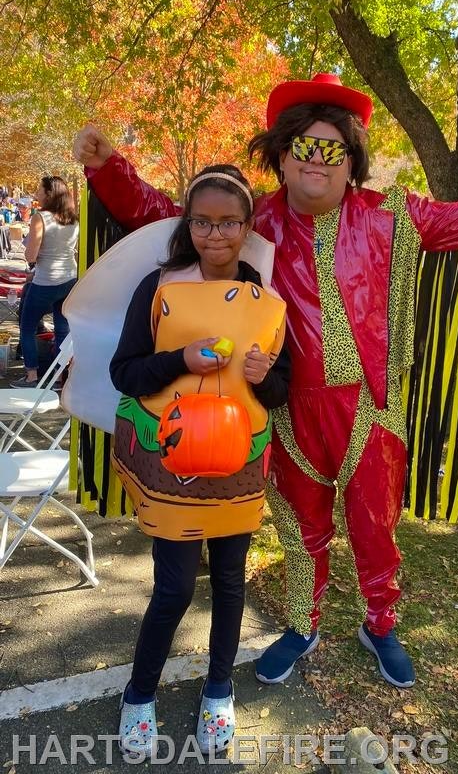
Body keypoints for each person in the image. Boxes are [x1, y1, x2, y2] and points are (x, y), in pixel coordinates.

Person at [74, 73, 458, 692]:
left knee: (375, 527)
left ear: (352, 159)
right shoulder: (253, 224)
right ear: (279, 155)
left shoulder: (393, 217)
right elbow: (172, 218)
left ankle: (381, 624)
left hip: (371, 406)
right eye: (303, 146)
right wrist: (111, 169)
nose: (316, 162)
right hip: (285, 406)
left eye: (332, 149)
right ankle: (304, 625)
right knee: (302, 528)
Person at [108, 165, 290, 757]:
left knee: (232, 583)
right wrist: (181, 358)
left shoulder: (266, 300)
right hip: (177, 465)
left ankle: (218, 690)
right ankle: (139, 695)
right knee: (175, 587)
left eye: (229, 222)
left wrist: (267, 379)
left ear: (247, 226)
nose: (216, 234)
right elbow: (125, 373)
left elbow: (281, 389)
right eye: (204, 222)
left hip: (239, 465)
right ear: (189, 224)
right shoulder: (160, 287)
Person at [11, 176, 78, 387]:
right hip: (69, 279)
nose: (36, 193)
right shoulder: (73, 218)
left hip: (47, 280)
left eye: (39, 190)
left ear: (49, 194)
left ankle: (32, 376)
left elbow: (31, 256)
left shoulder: (40, 218)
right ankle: (59, 376)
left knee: (27, 326)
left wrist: (30, 252)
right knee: (62, 328)